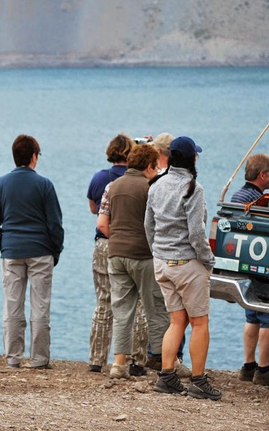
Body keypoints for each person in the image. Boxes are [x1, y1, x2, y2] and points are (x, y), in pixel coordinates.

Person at [144, 136, 221, 400]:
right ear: (192, 159)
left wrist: (157, 253)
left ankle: (167, 377)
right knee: (200, 322)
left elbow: (148, 226)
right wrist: (209, 260)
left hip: (163, 264)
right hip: (187, 264)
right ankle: (199, 382)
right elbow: (197, 233)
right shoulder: (193, 188)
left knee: (176, 321)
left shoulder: (156, 185)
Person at [0, 135, 64, 369]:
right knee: (40, 306)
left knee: (12, 305)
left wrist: (4, 244)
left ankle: (13, 357)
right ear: (33, 157)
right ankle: (40, 358)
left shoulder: (1, 184)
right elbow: (55, 224)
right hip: (40, 251)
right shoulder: (44, 185)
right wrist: (55, 250)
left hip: (12, 250)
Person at [95, 144, 169, 379]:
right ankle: (163, 361)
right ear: (148, 166)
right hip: (144, 255)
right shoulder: (152, 187)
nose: (157, 172)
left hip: (116, 254)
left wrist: (118, 239)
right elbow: (160, 223)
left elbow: (102, 225)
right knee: (156, 309)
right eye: (156, 167)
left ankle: (118, 364)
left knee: (122, 310)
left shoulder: (111, 186)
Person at [87, 134, 149, 375]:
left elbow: (94, 209)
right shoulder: (141, 181)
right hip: (133, 246)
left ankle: (96, 359)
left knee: (103, 301)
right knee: (137, 305)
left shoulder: (100, 178)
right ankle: (136, 360)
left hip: (103, 245)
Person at [230, 154, 269, 387]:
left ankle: (247, 365)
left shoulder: (237, 196)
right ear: (262, 175)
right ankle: (263, 369)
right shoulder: (259, 201)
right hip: (261, 264)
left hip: (243, 263)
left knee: (251, 314)